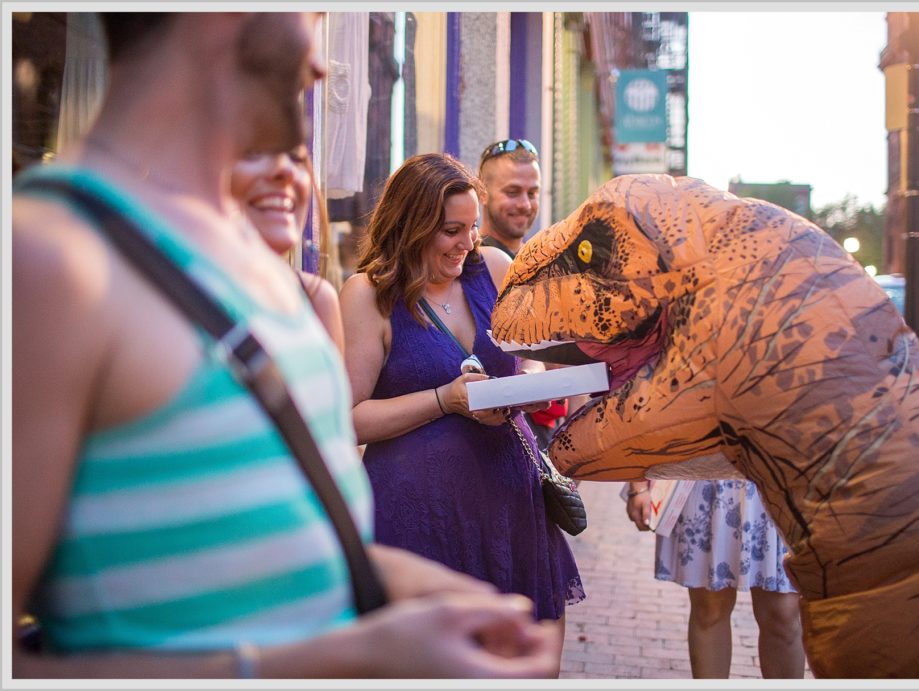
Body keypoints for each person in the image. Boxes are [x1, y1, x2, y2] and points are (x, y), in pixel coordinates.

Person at [12, 12, 561, 679]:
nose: (326, 54)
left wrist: (434, 597)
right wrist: (346, 655)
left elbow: (283, 550)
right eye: (306, 14)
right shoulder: (46, 260)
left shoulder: (269, 270)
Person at [339, 152, 585, 672]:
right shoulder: (369, 295)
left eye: (473, 227)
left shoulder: (495, 268)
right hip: (416, 516)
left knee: (530, 662)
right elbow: (351, 417)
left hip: (508, 504)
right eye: (451, 230)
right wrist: (444, 400)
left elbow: (535, 360)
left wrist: (526, 388)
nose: (467, 243)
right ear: (411, 226)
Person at [626, 478, 805, 679]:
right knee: (710, 609)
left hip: (775, 474)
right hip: (707, 473)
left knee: (783, 614)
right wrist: (638, 486)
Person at [477, 138, 566, 449]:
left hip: (545, 435)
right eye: (512, 192)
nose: (526, 205)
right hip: (501, 437)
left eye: (533, 193)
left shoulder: (536, 261)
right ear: (482, 193)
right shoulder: (473, 265)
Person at [231, 145, 345, 356]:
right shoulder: (167, 293)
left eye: (296, 158)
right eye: (255, 154)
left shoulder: (318, 299)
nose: (286, 171)